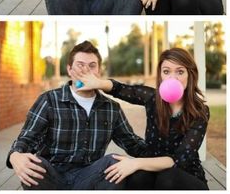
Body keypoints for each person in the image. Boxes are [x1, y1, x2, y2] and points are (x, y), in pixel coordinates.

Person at [6, 41, 148, 190]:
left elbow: (133, 144)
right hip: (52, 176)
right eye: (80, 64)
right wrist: (15, 156)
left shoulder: (111, 108)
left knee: (114, 162)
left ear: (98, 71)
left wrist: (165, 155)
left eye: (92, 66)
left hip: (89, 177)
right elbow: (27, 139)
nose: (86, 70)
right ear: (69, 69)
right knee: (33, 164)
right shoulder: (49, 100)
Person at [77, 47, 210, 190]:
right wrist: (98, 83)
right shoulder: (152, 98)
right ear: (160, 76)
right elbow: (121, 89)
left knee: (167, 178)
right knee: (137, 177)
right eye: (166, 71)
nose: (172, 77)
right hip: (154, 171)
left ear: (190, 74)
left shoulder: (199, 111)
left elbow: (179, 159)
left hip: (186, 176)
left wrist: (136, 162)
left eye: (180, 71)